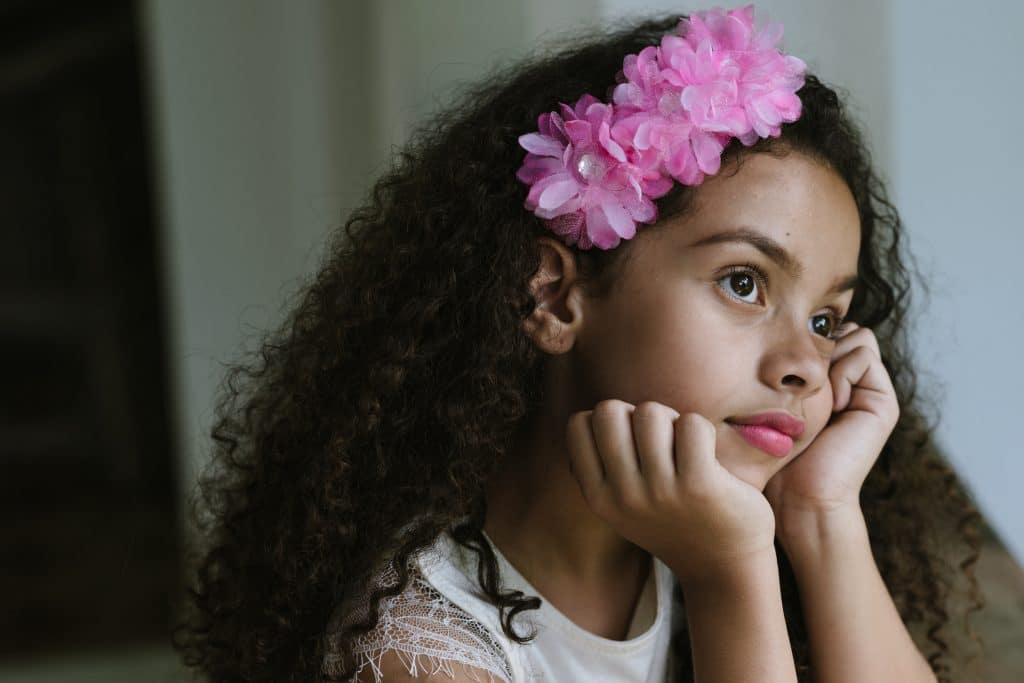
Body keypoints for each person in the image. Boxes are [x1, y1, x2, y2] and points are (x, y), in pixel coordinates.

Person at [171, 5, 986, 682]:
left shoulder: (695, 529)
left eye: (826, 318)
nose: (805, 365)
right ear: (554, 295)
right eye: (744, 282)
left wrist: (822, 514)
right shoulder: (416, 649)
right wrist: (728, 575)